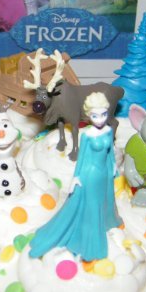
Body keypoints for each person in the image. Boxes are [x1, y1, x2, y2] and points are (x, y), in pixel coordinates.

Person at [29, 92, 122, 261]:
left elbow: (109, 153)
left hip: (104, 173)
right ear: (89, 116)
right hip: (89, 173)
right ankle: (92, 242)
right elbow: (82, 158)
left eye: (103, 114)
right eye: (95, 116)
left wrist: (113, 166)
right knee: (92, 204)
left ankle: (106, 223)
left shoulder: (108, 131)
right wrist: (76, 177)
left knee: (105, 200)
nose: (100, 119)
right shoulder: (87, 135)